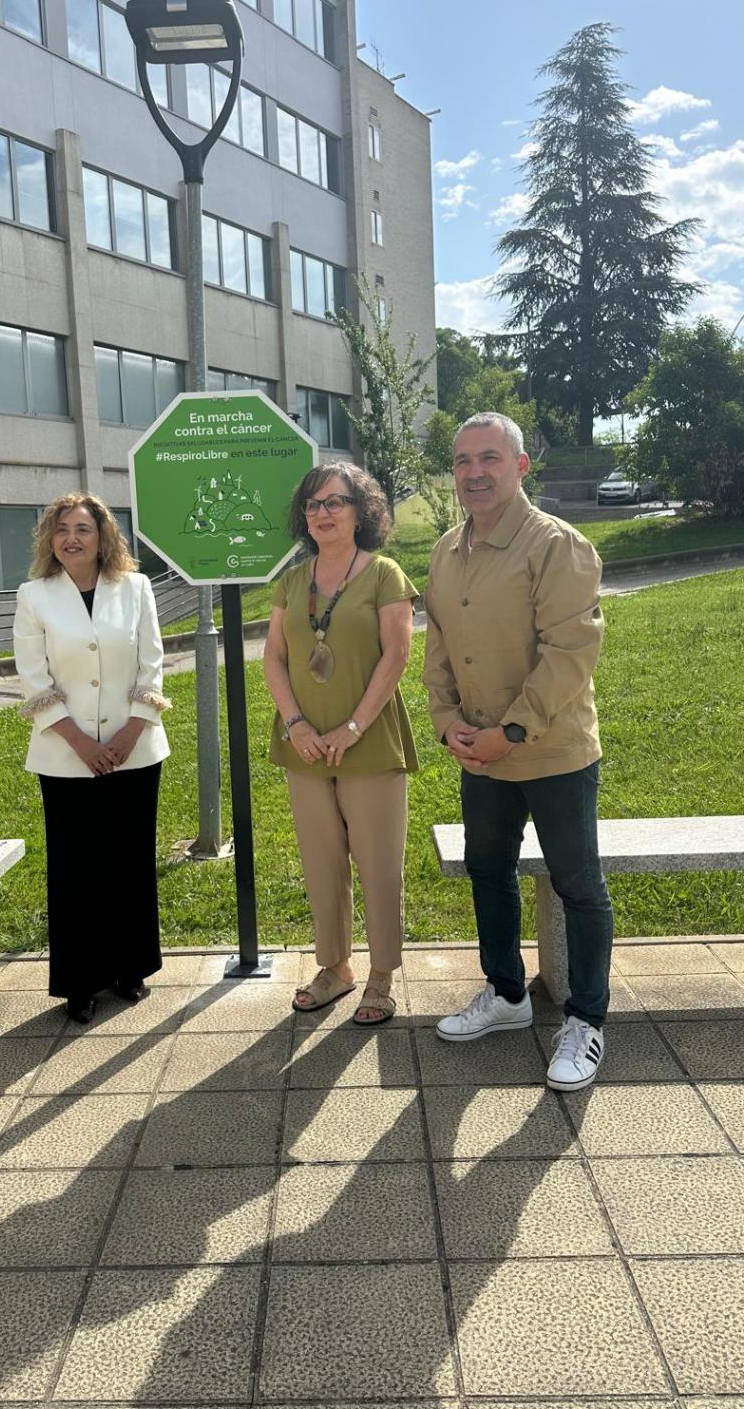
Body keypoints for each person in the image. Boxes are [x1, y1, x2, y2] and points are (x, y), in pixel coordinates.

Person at [423, 413, 612, 1090]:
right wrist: (449, 725)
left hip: (552, 751)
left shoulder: (558, 547)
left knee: (578, 886)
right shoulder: (446, 551)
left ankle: (586, 1020)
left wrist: (511, 733)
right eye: (463, 461)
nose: (474, 472)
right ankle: (506, 996)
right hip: (479, 753)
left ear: (520, 466)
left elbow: (571, 655)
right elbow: (438, 648)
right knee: (489, 871)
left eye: (490, 459)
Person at [264, 463, 418, 1025]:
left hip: (369, 741)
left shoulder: (385, 576)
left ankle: (381, 976)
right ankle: (334, 967)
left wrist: (350, 728)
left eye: (335, 502)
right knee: (321, 863)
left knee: (378, 865)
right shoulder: (291, 581)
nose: (322, 513)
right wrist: (297, 725)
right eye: (312, 504)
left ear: (362, 511)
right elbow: (274, 659)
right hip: (304, 747)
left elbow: (396, 657)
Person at [13, 492, 170, 1024]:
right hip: (64, 756)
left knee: (128, 863)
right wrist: (80, 743)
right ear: (49, 540)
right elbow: (35, 679)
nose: (71, 538)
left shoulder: (137, 588)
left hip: (136, 749)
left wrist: (129, 734)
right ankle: (79, 982)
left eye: (82, 528)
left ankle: (131, 970)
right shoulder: (35, 596)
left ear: (103, 536)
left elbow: (152, 666)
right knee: (76, 870)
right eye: (61, 529)